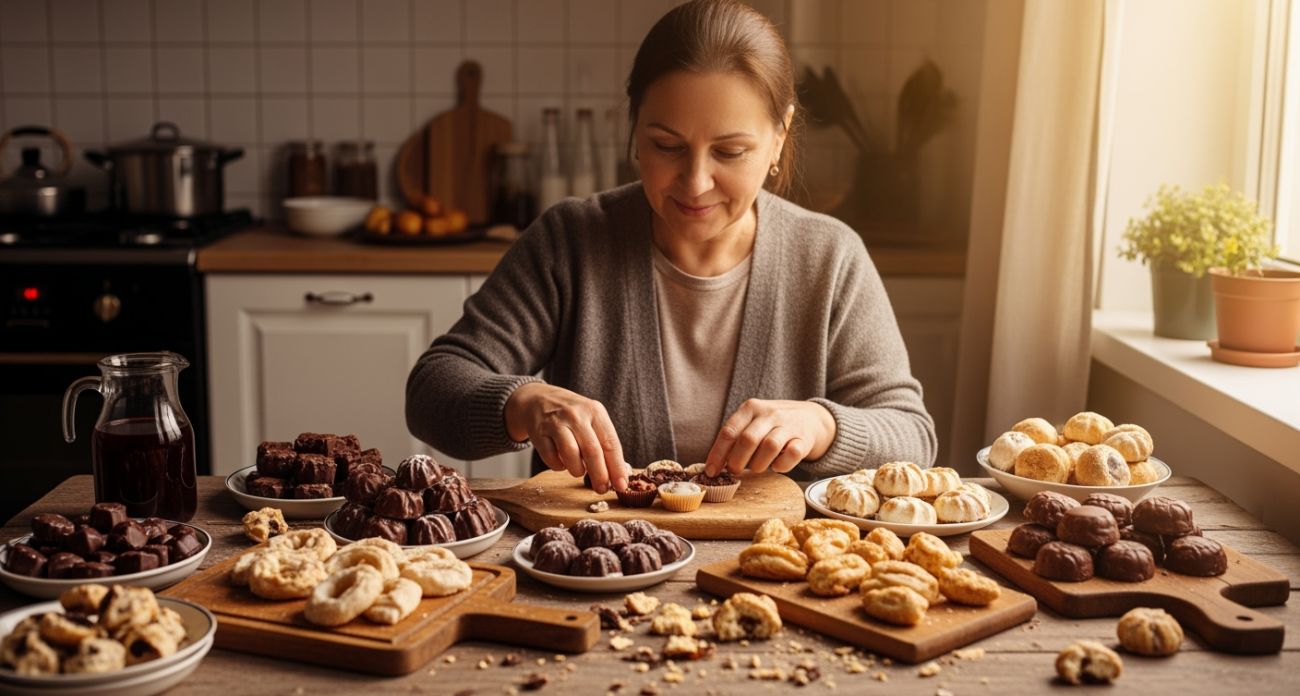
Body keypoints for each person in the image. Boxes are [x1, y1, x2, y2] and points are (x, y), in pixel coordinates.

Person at [406, 0, 935, 495]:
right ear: (634, 128)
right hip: (585, 577)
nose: (696, 181)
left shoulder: (830, 258)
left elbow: (913, 436)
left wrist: (822, 424)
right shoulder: (570, 241)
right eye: (667, 146)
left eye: (729, 151)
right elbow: (432, 391)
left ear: (779, 137)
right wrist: (522, 403)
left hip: (772, 578)